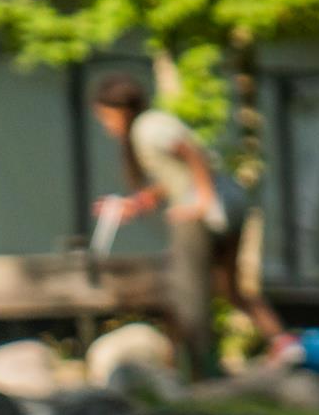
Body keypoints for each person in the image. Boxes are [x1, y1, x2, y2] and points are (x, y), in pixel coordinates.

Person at [89, 72, 290, 357]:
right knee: (230, 289)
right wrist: (136, 204)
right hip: (227, 207)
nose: (106, 126)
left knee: (189, 289)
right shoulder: (145, 130)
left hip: (213, 211)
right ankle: (285, 343)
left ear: (120, 110)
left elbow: (193, 153)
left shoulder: (148, 127)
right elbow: (174, 178)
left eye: (106, 117)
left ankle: (195, 358)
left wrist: (202, 201)